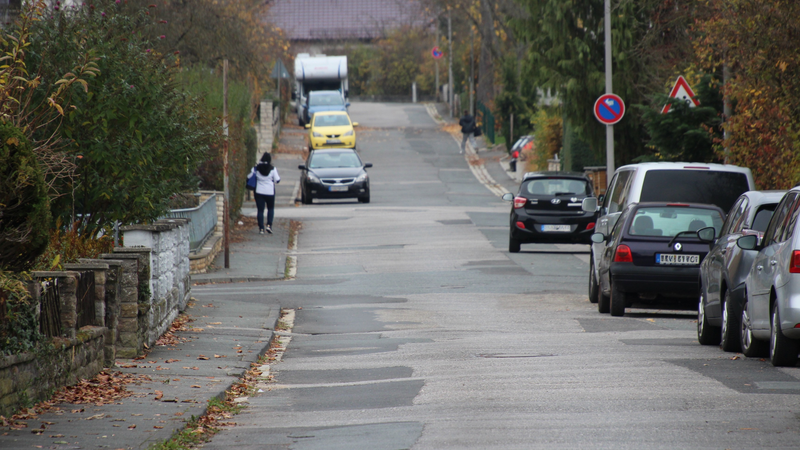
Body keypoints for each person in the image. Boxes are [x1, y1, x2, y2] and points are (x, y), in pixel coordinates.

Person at [250, 152, 280, 234]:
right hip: (270, 192)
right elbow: (277, 180)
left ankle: (261, 229)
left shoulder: (256, 169)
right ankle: (269, 225)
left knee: (260, 210)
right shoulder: (273, 169)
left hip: (259, 192)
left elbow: (249, 177)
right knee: (270, 209)